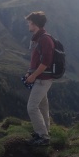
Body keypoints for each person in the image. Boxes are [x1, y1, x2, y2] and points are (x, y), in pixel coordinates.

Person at [24, 11, 58, 146]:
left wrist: (33, 75)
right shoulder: (39, 38)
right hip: (41, 78)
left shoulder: (44, 39)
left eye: (29, 23)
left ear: (35, 24)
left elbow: (46, 62)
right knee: (43, 106)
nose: (28, 25)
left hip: (43, 80)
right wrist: (29, 72)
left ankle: (43, 136)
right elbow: (37, 60)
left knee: (32, 107)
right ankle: (45, 131)